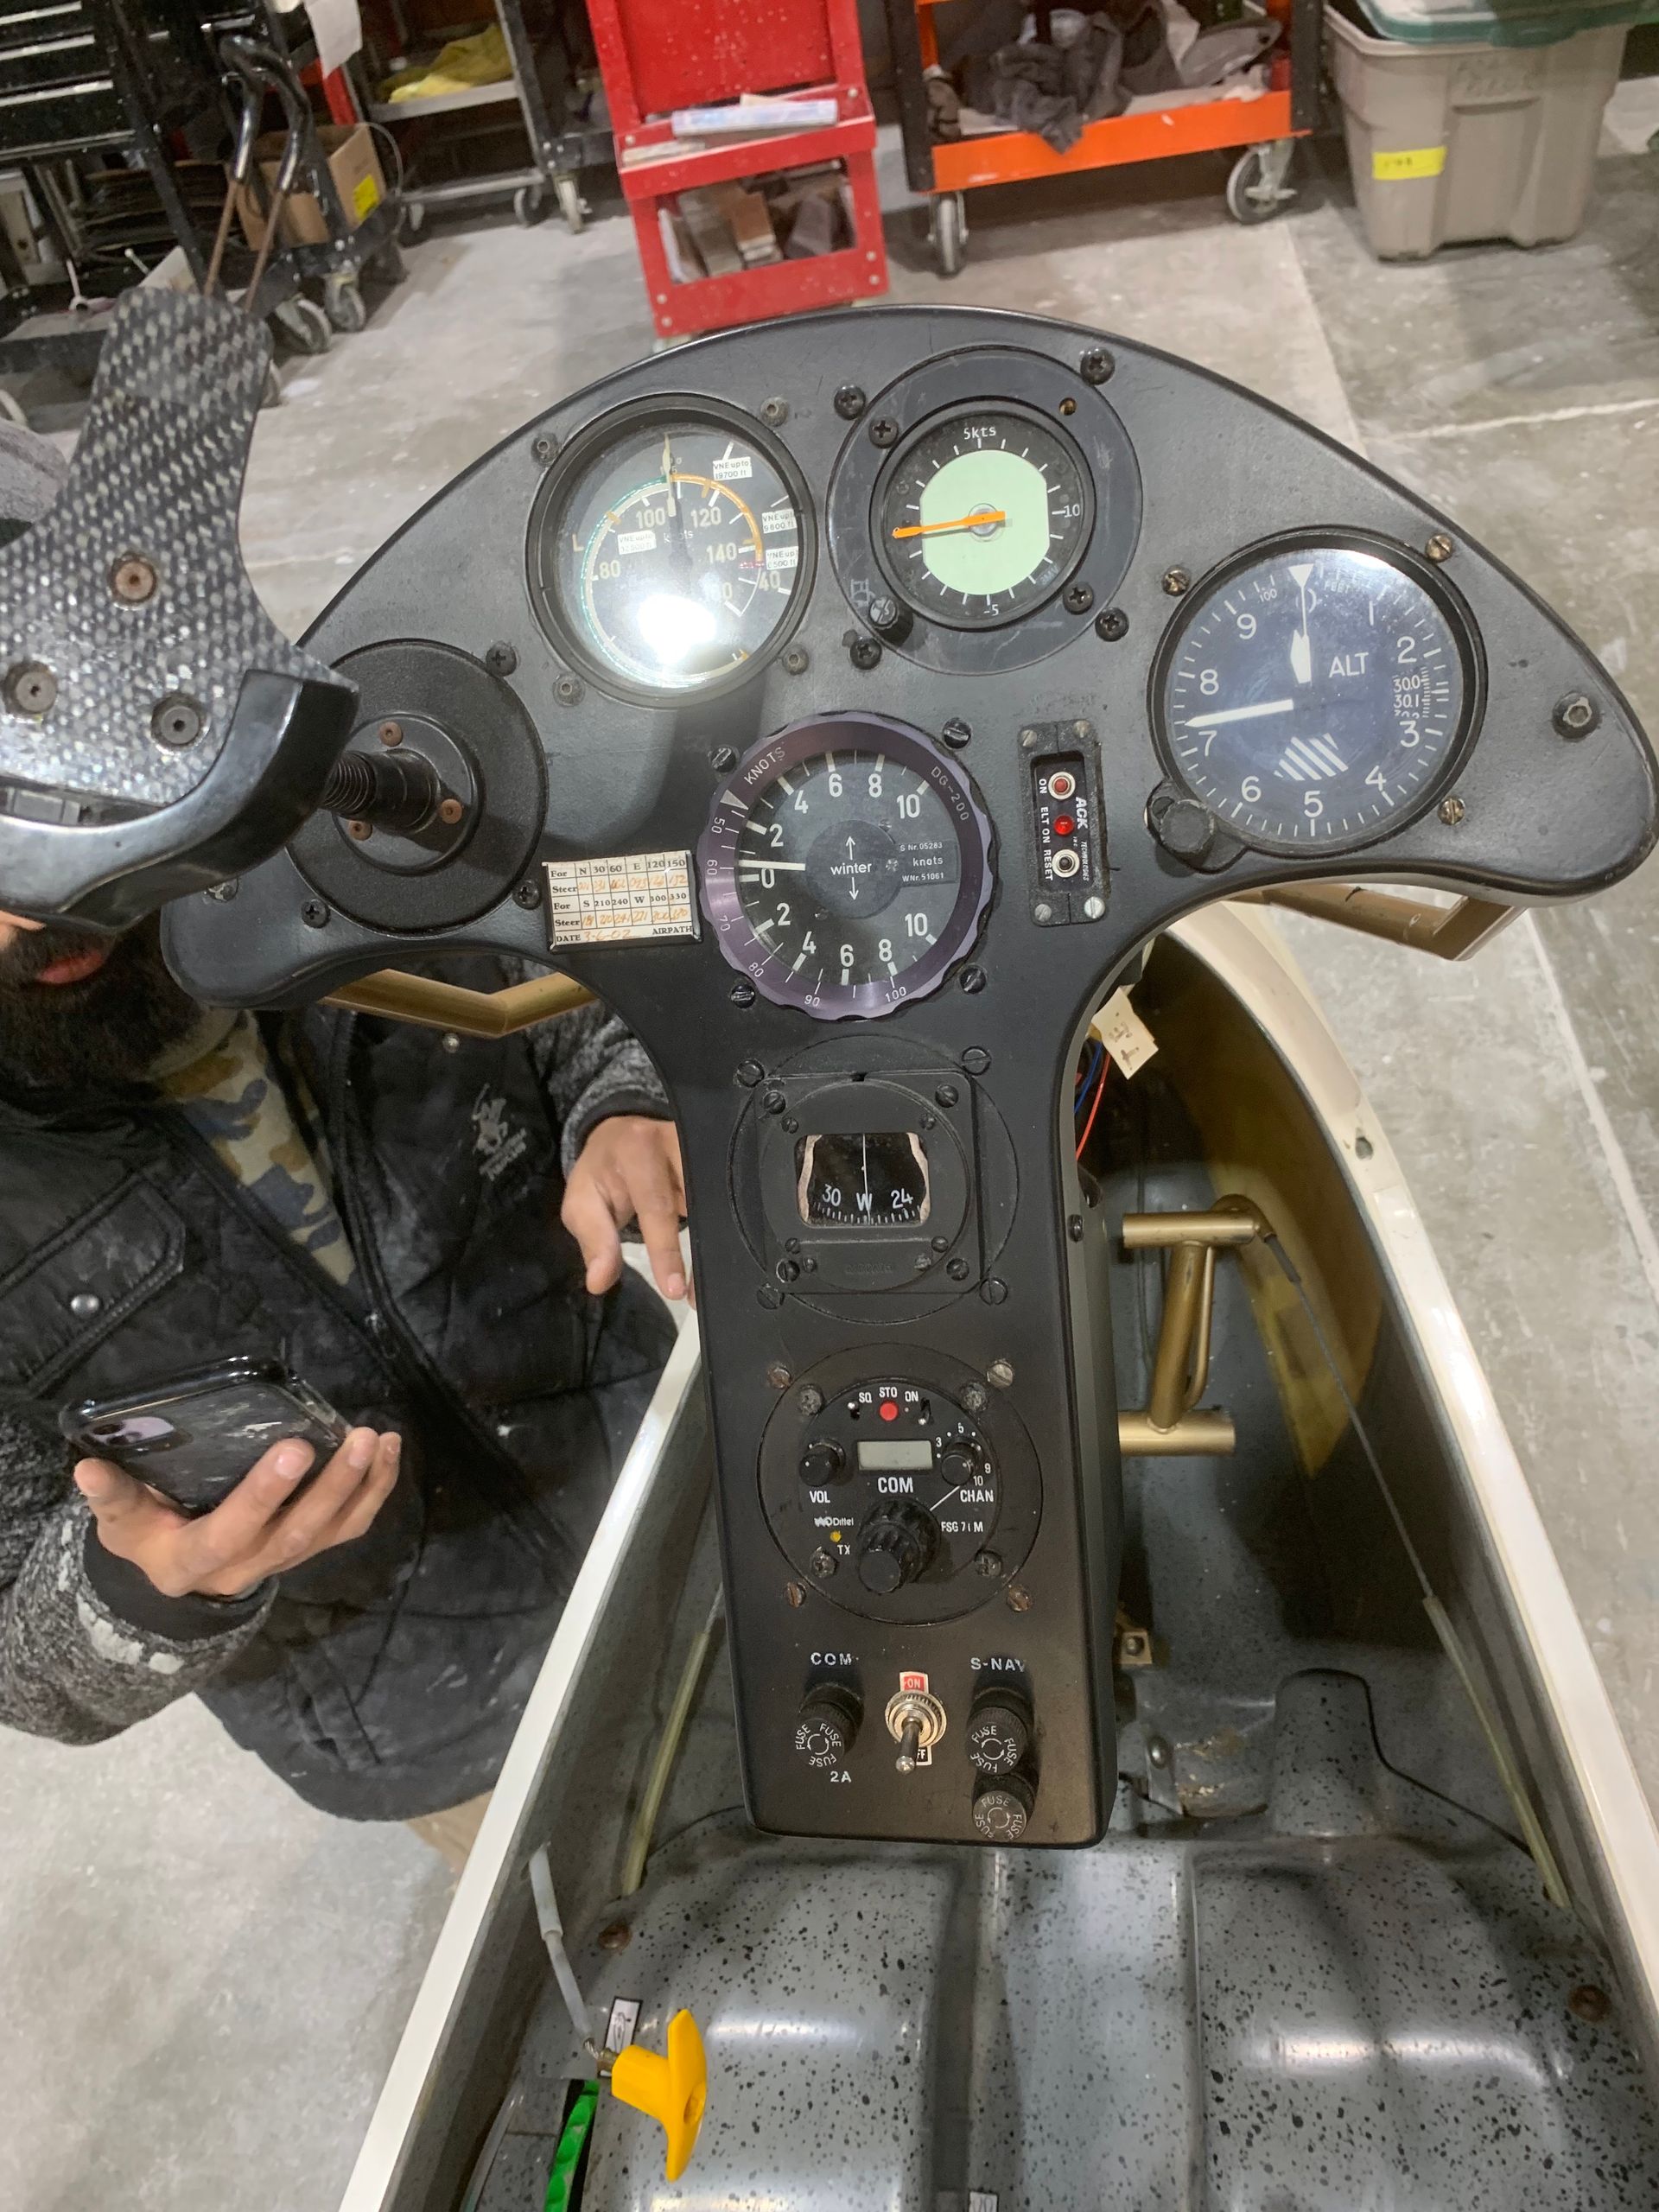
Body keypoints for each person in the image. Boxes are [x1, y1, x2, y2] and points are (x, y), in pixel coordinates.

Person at [0, 899, 687, 1856]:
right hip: (445, 1733)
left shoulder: (371, 836)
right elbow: (17, 1654)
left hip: (689, 1486)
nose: (30, 906)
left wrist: (635, 1093)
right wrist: (144, 1590)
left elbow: (608, 942)